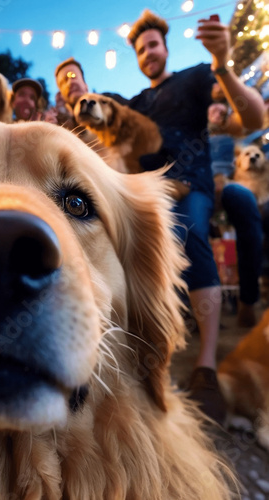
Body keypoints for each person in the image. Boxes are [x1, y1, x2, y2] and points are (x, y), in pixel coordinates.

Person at [125, 9, 264, 424]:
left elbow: (253, 118)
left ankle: (204, 365)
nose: (148, 53)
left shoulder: (197, 76)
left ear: (165, 47)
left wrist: (222, 63)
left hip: (192, 185)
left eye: (153, 44)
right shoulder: (134, 104)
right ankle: (141, 351)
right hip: (147, 190)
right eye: (141, 49)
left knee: (187, 229)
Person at [208, 84, 262, 328]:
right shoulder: (191, 126)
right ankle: (199, 306)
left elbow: (252, 119)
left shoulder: (234, 127)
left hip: (229, 185)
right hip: (196, 186)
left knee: (245, 200)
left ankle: (247, 300)